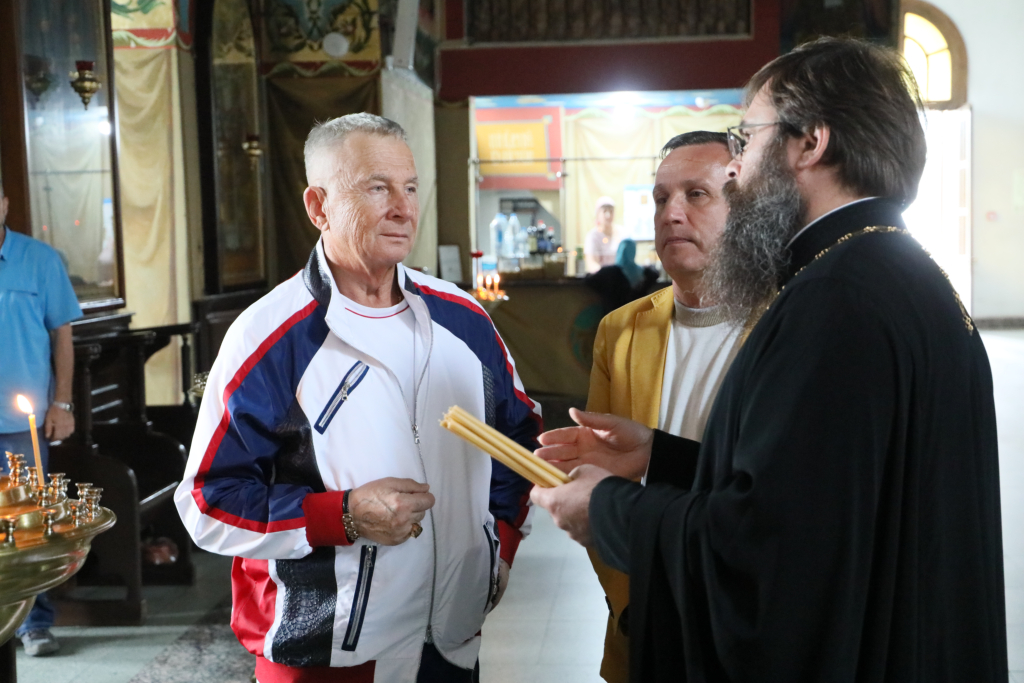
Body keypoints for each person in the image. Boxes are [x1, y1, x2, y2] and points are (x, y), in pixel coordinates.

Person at [532, 37, 1007, 682]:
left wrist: (609, 511)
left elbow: (767, 556)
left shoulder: (832, 301)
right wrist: (662, 458)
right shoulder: (902, 274)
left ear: (809, 143)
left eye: (747, 138)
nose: (735, 169)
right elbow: (824, 495)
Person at [174, 114, 541, 683]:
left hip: (451, 646)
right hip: (324, 655)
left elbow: (517, 440)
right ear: (318, 207)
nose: (403, 208)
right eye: (377, 188)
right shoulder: (269, 337)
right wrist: (339, 515)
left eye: (410, 187)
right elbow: (207, 502)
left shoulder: (464, 319)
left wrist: (502, 546)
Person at [583, 131, 746, 682]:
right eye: (660, 198)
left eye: (696, 194)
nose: (671, 214)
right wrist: (632, 603)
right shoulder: (620, 331)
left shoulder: (784, 325)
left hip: (745, 618)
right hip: (644, 619)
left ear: (743, 211)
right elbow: (599, 480)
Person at [0, 180, 81, 656]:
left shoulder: (40, 260)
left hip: (22, 423)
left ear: (5, 203)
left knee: (29, 522)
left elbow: (62, 336)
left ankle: (34, 623)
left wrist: (62, 404)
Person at [583, 238, 659, 315]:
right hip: (639, 316)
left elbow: (589, 280)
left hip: (614, 316)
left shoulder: (610, 272)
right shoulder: (645, 272)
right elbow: (655, 273)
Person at [583, 196, 622, 273]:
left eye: (611, 211)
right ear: (598, 214)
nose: (608, 216)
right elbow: (591, 263)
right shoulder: (592, 236)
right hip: (600, 277)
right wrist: (605, 274)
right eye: (604, 211)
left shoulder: (622, 233)